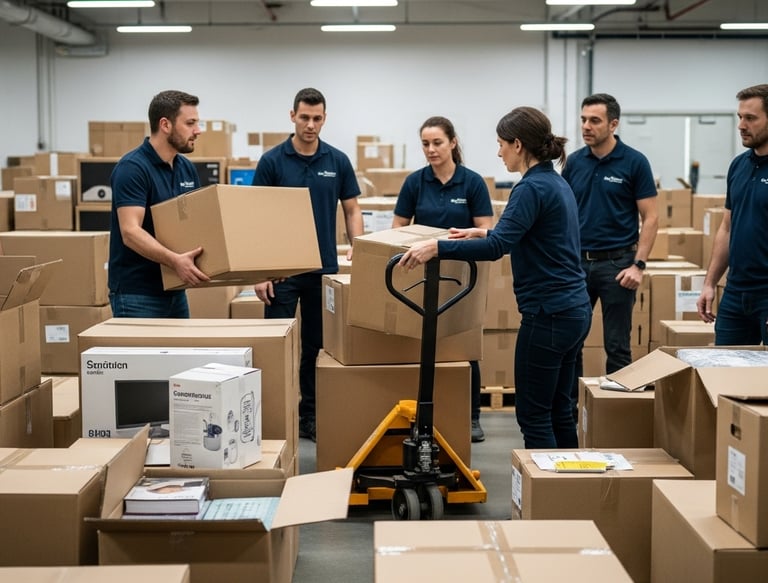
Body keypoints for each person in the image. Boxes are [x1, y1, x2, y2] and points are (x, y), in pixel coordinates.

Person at [398, 106, 591, 449]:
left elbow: (499, 246)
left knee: (533, 415)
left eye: (501, 143)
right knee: (560, 410)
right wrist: (479, 233)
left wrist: (437, 248)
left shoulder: (530, 188)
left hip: (547, 315)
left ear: (518, 144)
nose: (498, 151)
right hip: (574, 311)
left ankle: (543, 498)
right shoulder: (555, 183)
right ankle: (566, 495)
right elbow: (521, 235)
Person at [252, 88, 363, 442]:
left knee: (316, 347)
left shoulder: (337, 161)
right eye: (304, 117)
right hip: (280, 272)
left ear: (324, 119)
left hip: (322, 271)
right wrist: (259, 271)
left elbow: (352, 208)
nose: (310, 125)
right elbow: (255, 218)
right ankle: (275, 414)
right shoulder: (272, 161)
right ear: (292, 116)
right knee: (279, 344)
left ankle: (309, 416)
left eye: (317, 118)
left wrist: (357, 245)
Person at [392, 116, 493, 443]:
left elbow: (486, 233)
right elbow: (398, 230)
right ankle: (421, 411)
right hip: (421, 275)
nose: (431, 149)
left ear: (452, 142)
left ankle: (472, 416)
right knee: (423, 342)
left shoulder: (472, 183)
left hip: (462, 275)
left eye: (437, 142)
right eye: (425, 143)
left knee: (464, 345)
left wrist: (448, 248)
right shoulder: (415, 183)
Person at [561, 93, 658, 393]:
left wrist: (638, 265)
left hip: (617, 266)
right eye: (583, 120)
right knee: (570, 342)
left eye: (595, 120)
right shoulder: (574, 162)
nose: (586, 126)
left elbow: (651, 217)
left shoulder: (634, 162)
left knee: (617, 346)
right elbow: (563, 213)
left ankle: (616, 412)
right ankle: (573, 409)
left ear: (613, 124)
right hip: (576, 265)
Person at [108, 89, 210, 318]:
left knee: (180, 355)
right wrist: (175, 261)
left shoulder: (186, 168)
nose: (198, 131)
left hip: (175, 289)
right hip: (138, 295)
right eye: (190, 123)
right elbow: (130, 232)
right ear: (165, 125)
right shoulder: (132, 168)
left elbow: (194, 224)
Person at [696, 84, 768, 344]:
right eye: (740, 117)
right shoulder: (738, 166)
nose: (741, 125)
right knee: (725, 373)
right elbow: (727, 227)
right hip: (736, 291)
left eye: (751, 118)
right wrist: (709, 283)